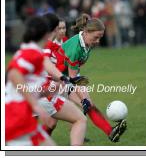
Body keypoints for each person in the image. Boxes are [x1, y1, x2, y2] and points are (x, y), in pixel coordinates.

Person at [57, 13, 127, 142]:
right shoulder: (76, 48)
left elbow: (73, 73)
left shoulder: (86, 43)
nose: (98, 41)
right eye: (96, 37)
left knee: (88, 105)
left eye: (100, 37)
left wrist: (84, 97)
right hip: (53, 79)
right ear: (86, 32)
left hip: (65, 77)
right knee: (49, 122)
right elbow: (72, 78)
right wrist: (83, 97)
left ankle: (110, 132)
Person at [37, 13, 87, 146]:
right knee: (79, 119)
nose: (62, 30)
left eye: (63, 27)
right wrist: (64, 79)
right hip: (42, 94)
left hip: (42, 93)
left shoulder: (50, 44)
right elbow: (46, 64)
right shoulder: (46, 45)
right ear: (54, 28)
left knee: (52, 123)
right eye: (59, 27)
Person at [5, 16, 57, 146]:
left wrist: (47, 91)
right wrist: (36, 105)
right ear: (46, 34)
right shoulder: (33, 52)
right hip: (16, 116)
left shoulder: (30, 50)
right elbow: (13, 74)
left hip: (22, 116)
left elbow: (25, 84)